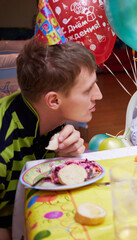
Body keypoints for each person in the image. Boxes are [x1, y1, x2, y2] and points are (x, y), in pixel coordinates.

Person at [0, 37, 103, 239]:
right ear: (54, 100)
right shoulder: (4, 146)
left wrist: (60, 156)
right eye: (88, 89)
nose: (98, 95)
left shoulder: (49, 115)